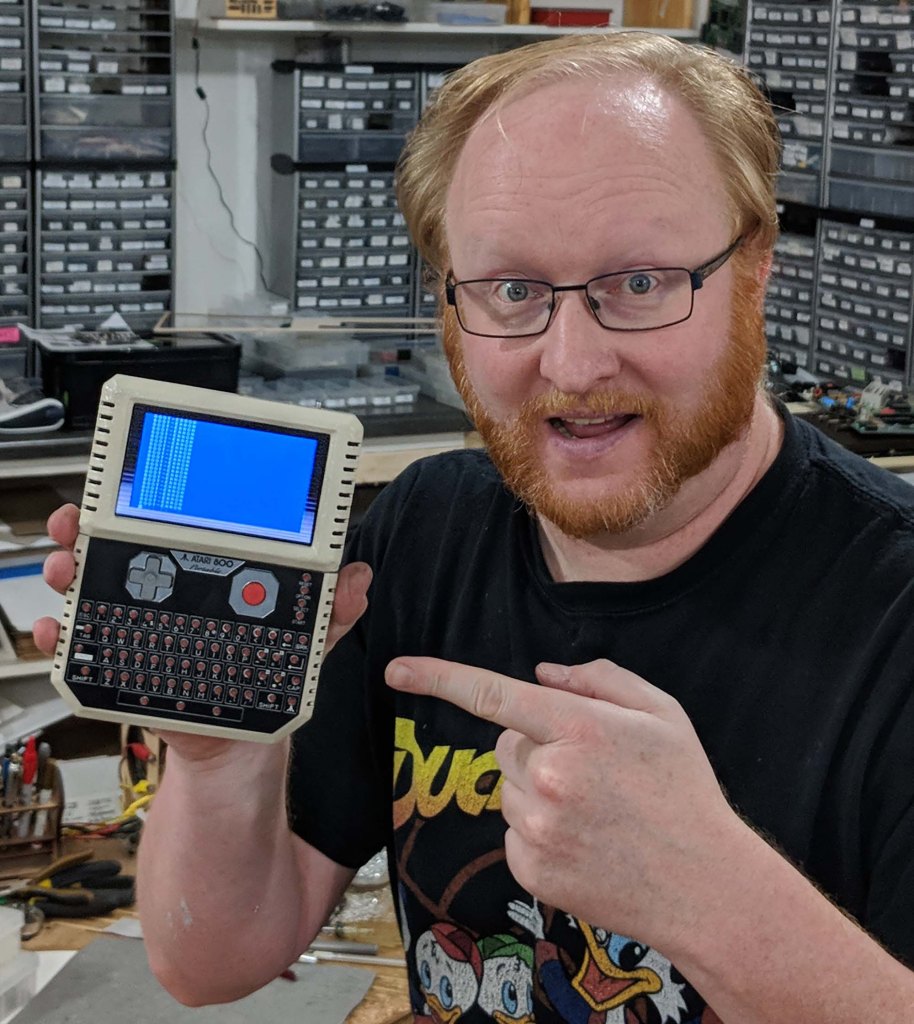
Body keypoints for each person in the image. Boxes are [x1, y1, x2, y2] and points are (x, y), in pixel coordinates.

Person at [34, 31, 914, 1023]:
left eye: (639, 283)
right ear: (448, 302)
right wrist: (218, 749)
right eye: (512, 291)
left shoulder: (893, 615)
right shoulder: (423, 532)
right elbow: (215, 962)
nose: (572, 365)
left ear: (754, 267)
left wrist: (715, 901)